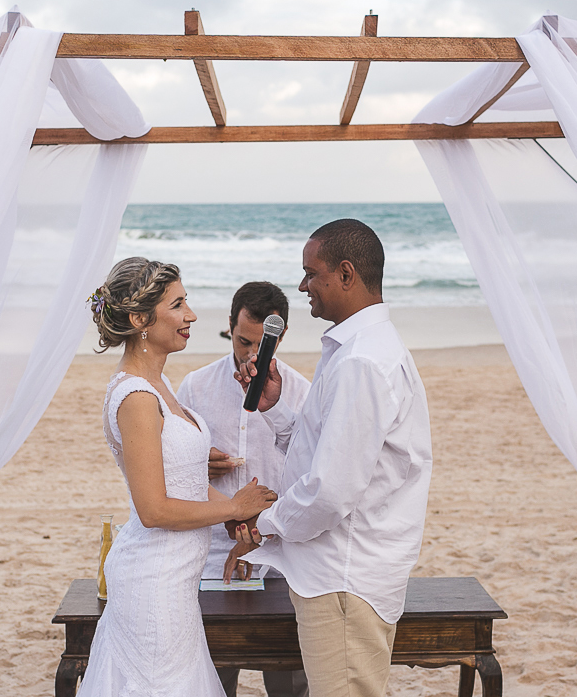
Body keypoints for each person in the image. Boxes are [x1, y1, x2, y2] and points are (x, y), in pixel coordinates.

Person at [233, 219, 432, 697]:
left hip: (343, 577)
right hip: (342, 572)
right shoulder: (358, 349)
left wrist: (266, 522)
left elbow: (332, 488)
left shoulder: (362, 360)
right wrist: (279, 410)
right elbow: (325, 448)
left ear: (346, 274)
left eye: (310, 273)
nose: (302, 285)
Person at [78, 257, 278, 697]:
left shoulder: (160, 385)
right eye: (178, 304)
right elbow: (152, 509)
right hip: (153, 582)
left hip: (176, 583)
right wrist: (233, 506)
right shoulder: (135, 397)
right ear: (139, 320)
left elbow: (183, 478)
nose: (191, 315)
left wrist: (227, 519)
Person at [176, 281, 311, 697]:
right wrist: (197, 464)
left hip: (281, 560)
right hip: (210, 559)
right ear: (229, 327)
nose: (250, 354)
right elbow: (170, 474)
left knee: (289, 684)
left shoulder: (303, 392)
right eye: (241, 341)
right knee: (214, 682)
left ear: (281, 335)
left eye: (260, 345)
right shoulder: (194, 387)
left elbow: (310, 478)